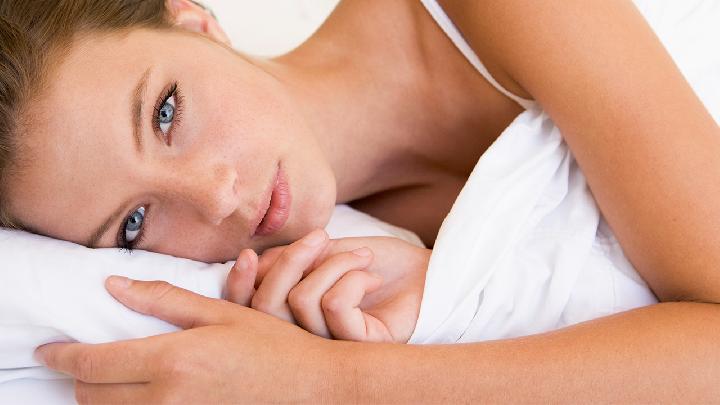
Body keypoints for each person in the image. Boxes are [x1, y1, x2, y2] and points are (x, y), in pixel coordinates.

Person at [1, 0, 719, 402]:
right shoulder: (340, 287)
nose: (216, 197)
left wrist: (329, 384)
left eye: (165, 112)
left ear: (192, 20)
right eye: (133, 223)